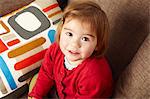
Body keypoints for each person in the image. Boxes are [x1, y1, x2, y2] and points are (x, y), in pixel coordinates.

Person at [28, 1, 113, 98]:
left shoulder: (93, 75)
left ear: (98, 44)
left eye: (85, 39)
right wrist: (36, 95)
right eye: (69, 34)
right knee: (37, 80)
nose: (74, 44)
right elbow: (46, 73)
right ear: (61, 31)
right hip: (58, 89)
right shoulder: (55, 50)